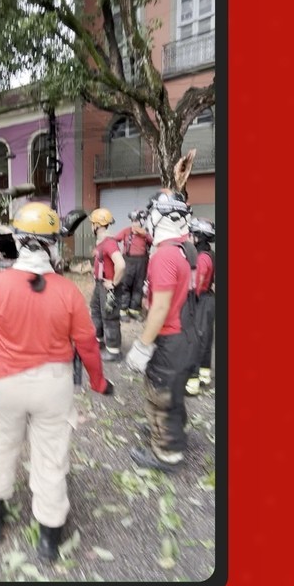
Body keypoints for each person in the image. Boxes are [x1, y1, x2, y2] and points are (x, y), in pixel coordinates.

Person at [0, 202, 114, 564]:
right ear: (53, 244)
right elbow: (87, 344)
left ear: (16, 240)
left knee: (0, 446)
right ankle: (49, 538)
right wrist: (99, 382)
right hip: (53, 386)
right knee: (50, 459)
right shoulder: (67, 292)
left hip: (7, 383)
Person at [125, 190, 199, 471]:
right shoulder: (186, 247)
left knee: (160, 392)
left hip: (171, 334)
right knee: (175, 389)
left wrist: (142, 346)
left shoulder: (165, 256)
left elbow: (160, 308)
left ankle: (166, 452)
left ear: (159, 217)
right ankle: (174, 432)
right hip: (187, 332)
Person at [184, 218, 216, 396]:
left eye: (192, 234)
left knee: (194, 340)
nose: (189, 237)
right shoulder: (211, 254)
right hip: (209, 300)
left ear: (199, 237)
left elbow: (197, 283)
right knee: (205, 338)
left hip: (200, 301)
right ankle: (204, 375)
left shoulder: (202, 259)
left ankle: (191, 384)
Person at [88, 208, 125, 362]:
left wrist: (114, 283)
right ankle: (98, 341)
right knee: (96, 310)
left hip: (108, 287)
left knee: (109, 317)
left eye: (92, 223)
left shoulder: (109, 243)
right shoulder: (102, 242)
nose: (91, 226)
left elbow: (121, 264)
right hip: (100, 284)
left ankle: (113, 351)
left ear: (97, 225)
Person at [113, 210, 152, 321]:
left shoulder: (146, 234)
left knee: (138, 286)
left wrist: (145, 234)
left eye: (136, 221)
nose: (133, 224)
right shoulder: (126, 231)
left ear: (142, 221)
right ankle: (123, 310)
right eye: (132, 221)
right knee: (125, 285)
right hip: (128, 261)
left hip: (141, 262)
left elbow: (154, 242)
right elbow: (114, 240)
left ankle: (134, 310)